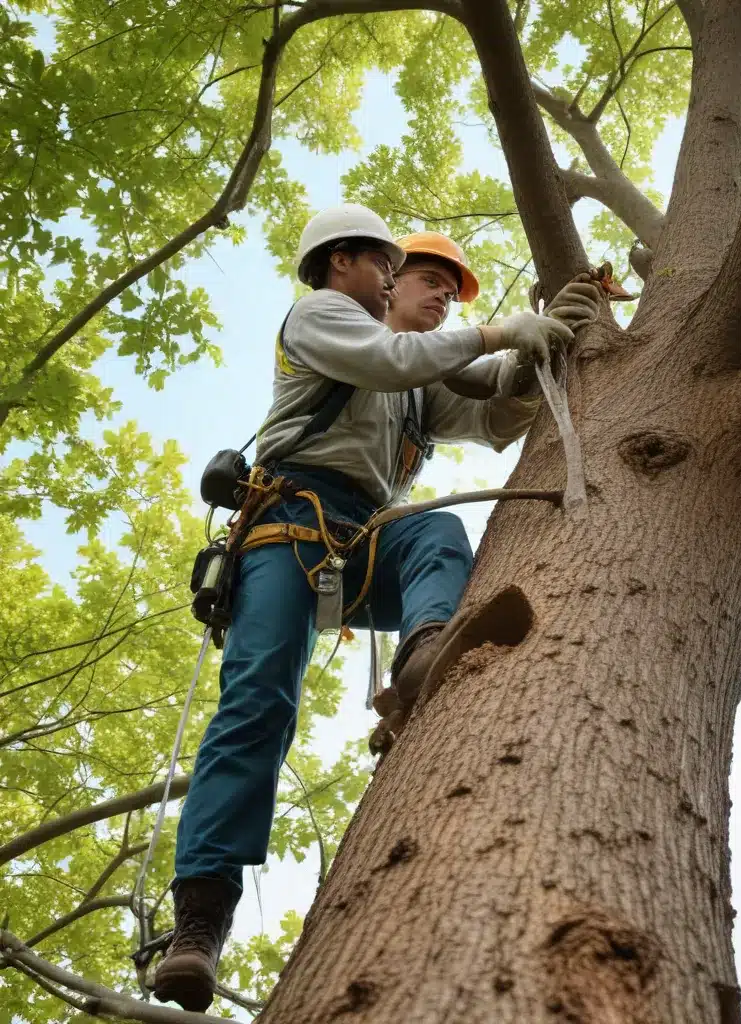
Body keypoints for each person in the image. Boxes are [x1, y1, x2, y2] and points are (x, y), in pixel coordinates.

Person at [152, 206, 601, 1012]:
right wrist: (503, 330)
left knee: (433, 529)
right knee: (258, 701)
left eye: (426, 280)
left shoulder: (418, 382)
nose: (414, 288)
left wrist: (554, 341)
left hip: (364, 539)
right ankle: (200, 920)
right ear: (341, 264)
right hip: (287, 527)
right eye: (410, 275)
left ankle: (428, 643)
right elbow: (395, 359)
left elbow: (491, 412)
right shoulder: (324, 318)